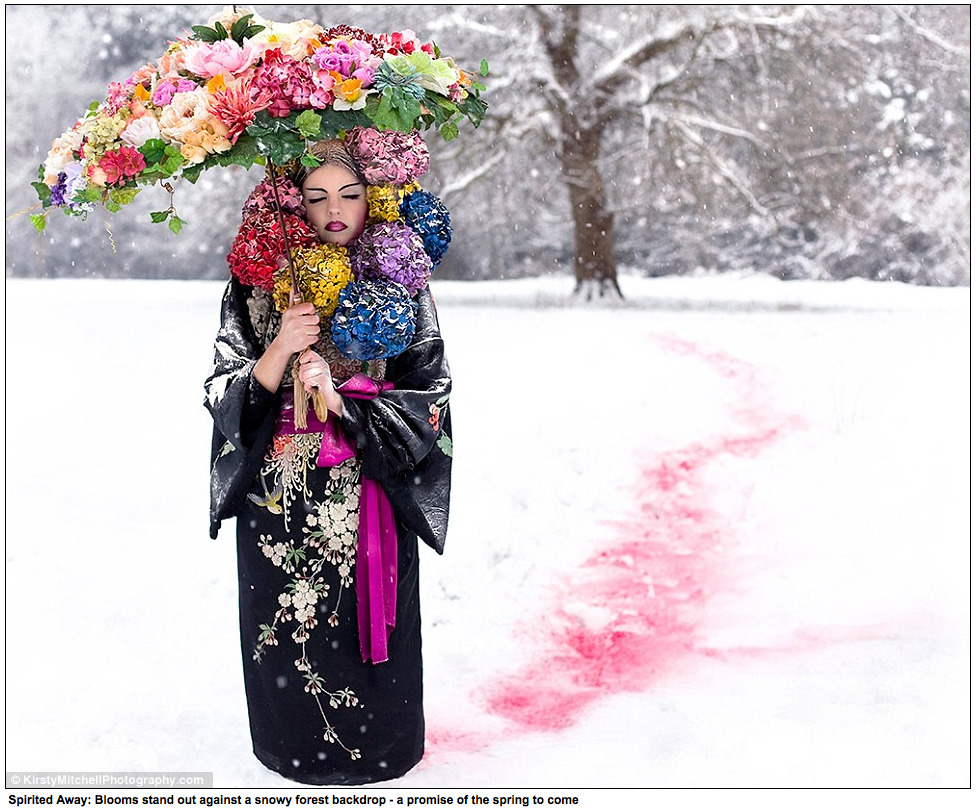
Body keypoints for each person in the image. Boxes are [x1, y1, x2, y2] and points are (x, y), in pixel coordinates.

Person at [204, 138, 453, 785]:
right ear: (294, 205)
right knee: (289, 627)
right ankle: (290, 750)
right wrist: (281, 347)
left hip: (367, 482)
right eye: (316, 197)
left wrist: (344, 403)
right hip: (278, 493)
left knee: (367, 630)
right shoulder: (257, 281)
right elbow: (218, 390)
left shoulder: (402, 281)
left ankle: (382, 752)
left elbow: (430, 395)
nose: (334, 210)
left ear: (374, 196)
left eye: (349, 193)